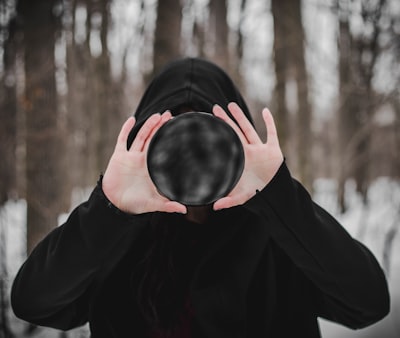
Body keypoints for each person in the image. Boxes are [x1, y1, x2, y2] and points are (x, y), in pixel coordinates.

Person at [11, 58, 389, 338]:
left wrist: (278, 195)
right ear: (146, 143)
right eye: (173, 143)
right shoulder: (116, 237)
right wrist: (109, 207)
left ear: (237, 143)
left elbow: (368, 303)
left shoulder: (277, 232)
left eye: (207, 140)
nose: (191, 159)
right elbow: (33, 301)